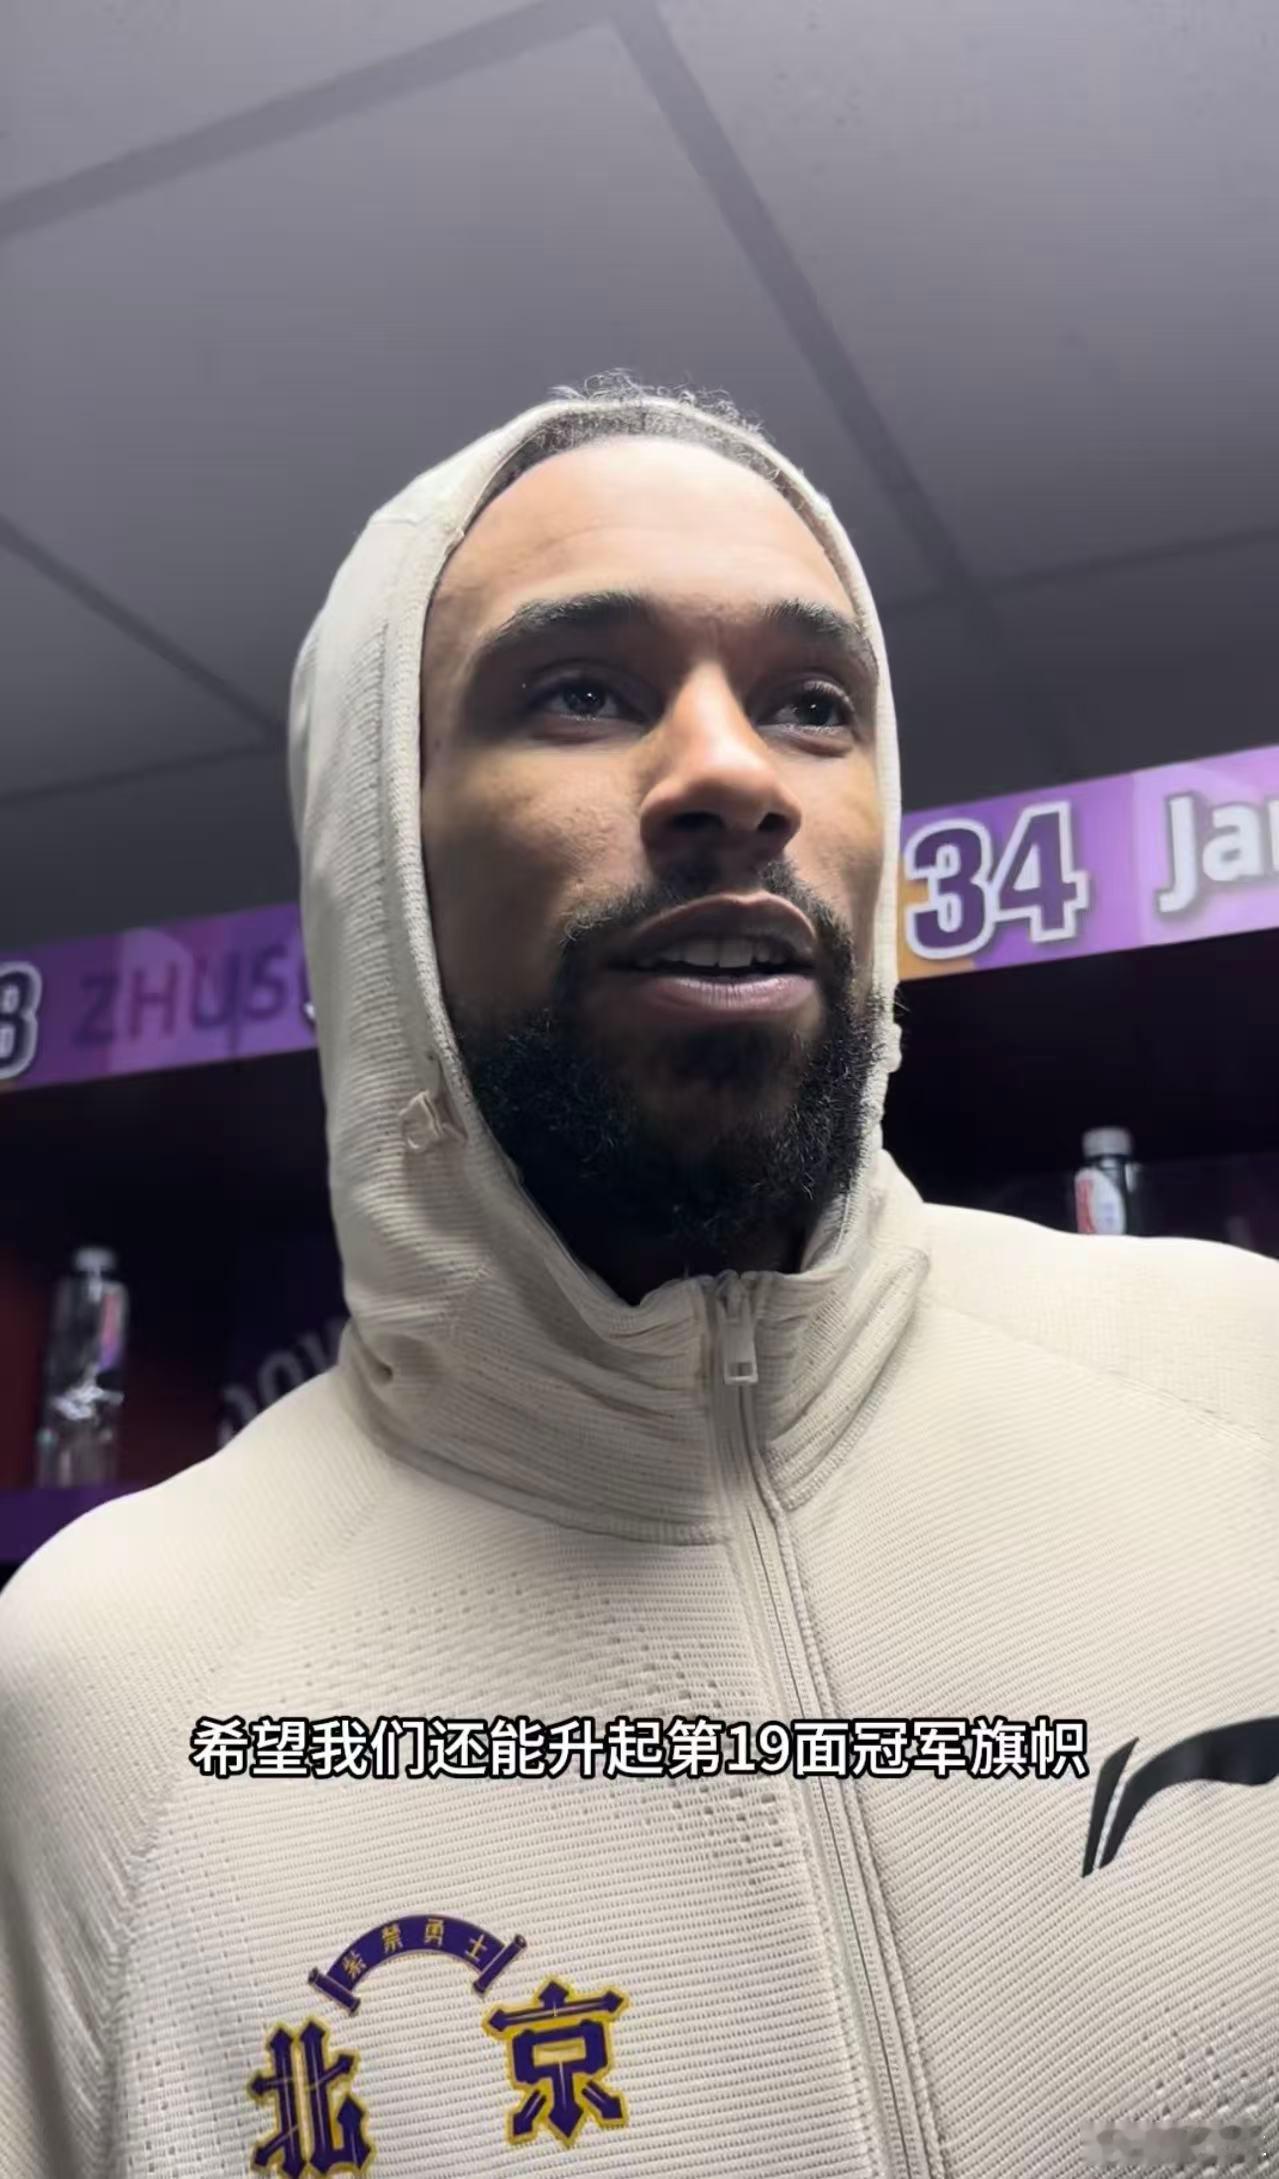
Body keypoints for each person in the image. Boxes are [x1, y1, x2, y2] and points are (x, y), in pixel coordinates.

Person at [1, 373, 1275, 2178]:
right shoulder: (106, 1685)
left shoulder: (1242, 1406)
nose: (735, 777)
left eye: (812, 702)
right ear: (380, 853)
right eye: (581, 692)